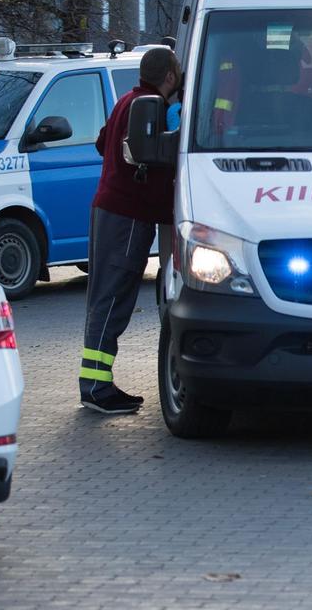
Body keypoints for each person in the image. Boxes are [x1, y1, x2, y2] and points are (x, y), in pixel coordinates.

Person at [79, 46, 180, 413]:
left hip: (111, 210)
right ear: (169, 76)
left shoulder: (129, 99)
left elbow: (102, 142)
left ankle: (94, 383)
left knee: (106, 294)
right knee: (113, 297)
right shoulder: (151, 105)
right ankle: (95, 387)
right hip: (127, 216)